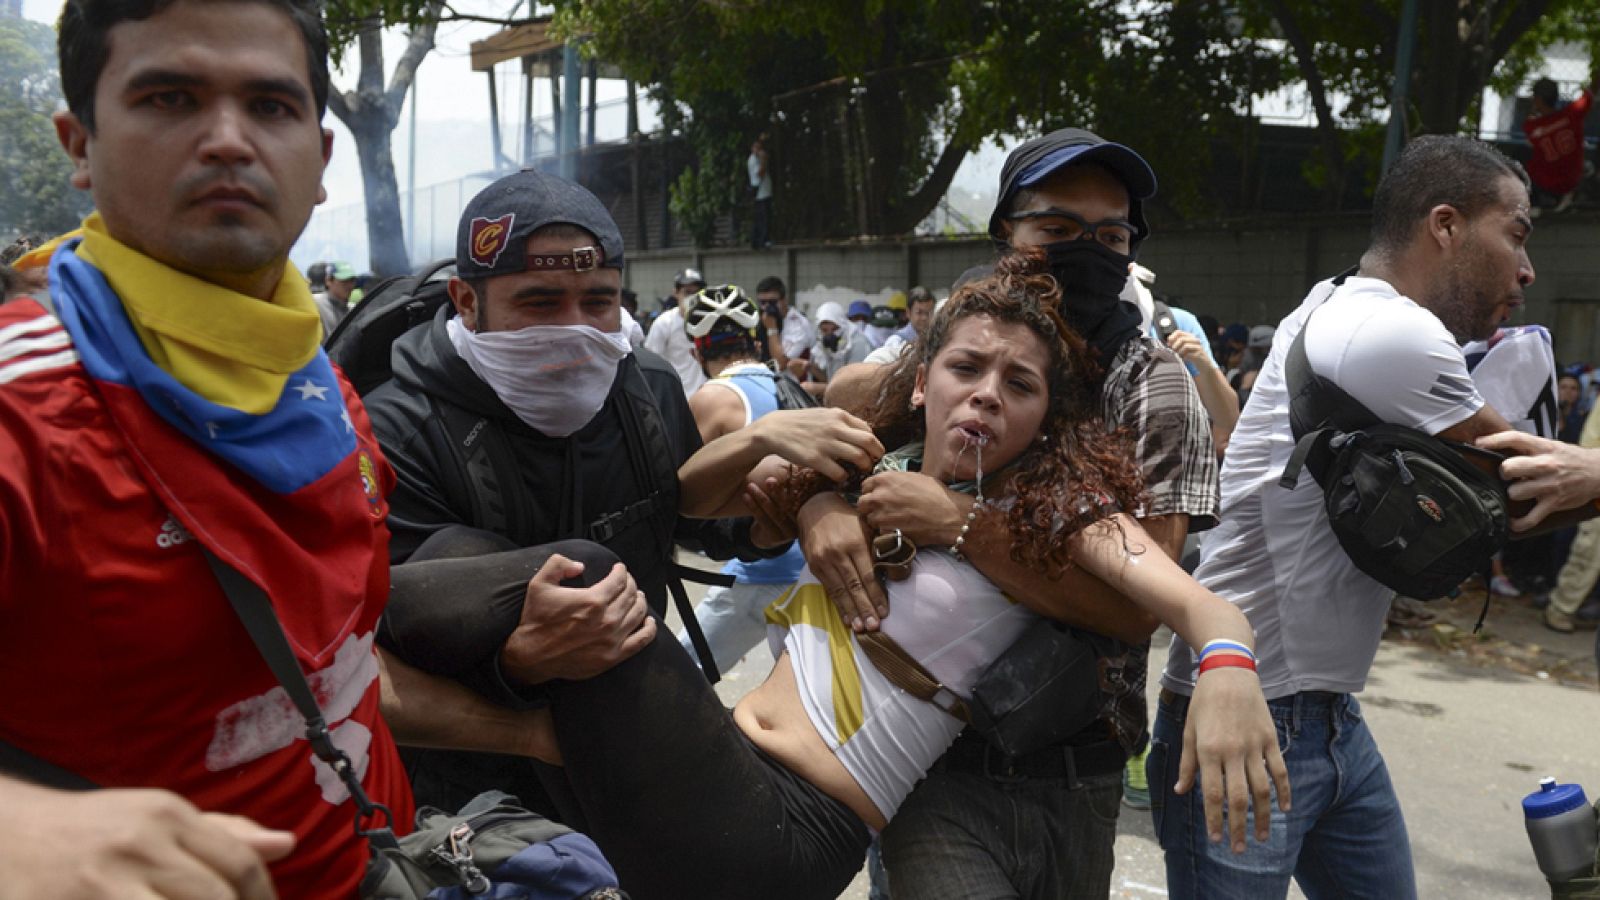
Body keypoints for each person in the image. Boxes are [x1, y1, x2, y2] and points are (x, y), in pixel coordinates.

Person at [413, 259, 1288, 899]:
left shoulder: (1058, 515)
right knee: (472, 561)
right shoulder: (877, 468)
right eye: (966, 368)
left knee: (589, 580)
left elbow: (1204, 608)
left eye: (1018, 383)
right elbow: (673, 507)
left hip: (786, 828)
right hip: (712, 772)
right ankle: (339, 645)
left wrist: (1228, 675)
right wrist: (794, 479)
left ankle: (332, 628)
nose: (986, 394)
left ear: (1043, 419)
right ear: (924, 386)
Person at [0, 0, 435, 894]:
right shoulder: (22, 410)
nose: (229, 140)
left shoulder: (325, 385)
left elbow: (333, 674)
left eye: (272, 107)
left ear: (319, 163)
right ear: (78, 144)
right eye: (169, 98)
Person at [362, 170, 873, 818]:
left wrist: (768, 522)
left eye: (597, 301)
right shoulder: (394, 434)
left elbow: (682, 512)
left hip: (625, 744)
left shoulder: (646, 389)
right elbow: (377, 639)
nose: (574, 331)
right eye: (540, 303)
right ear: (466, 300)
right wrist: (515, 660)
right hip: (472, 794)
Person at [816, 126, 1218, 898]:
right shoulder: (975, 338)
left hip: (1075, 767)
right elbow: (842, 416)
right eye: (1058, 230)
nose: (1087, 251)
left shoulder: (1151, 385)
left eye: (1110, 236)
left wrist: (960, 524)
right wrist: (823, 510)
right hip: (924, 754)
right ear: (1008, 234)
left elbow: (1140, 606)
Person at [1151, 134, 1537, 899]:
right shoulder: (1386, 331)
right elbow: (1525, 487)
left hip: (1329, 720)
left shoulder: (1338, 300)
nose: (1527, 269)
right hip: (1244, 721)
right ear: (1446, 225)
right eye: (1517, 232)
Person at [671, 285, 811, 672]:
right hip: (810, 563)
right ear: (756, 341)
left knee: (682, 677)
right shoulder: (787, 384)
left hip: (762, 569)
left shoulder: (712, 397)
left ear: (697, 351)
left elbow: (681, 493)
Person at [1524, 73, 1598, 214]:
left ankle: (1534, 202)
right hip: (1573, 178)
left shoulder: (1532, 127)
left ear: (1538, 99)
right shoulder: (1572, 114)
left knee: (1522, 154)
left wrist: (1533, 111)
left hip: (1547, 183)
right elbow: (1591, 92)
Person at [642, 266, 707, 395]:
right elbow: (651, 364)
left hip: (704, 396)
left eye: (697, 292)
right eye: (687, 292)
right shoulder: (664, 323)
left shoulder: (710, 322)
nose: (692, 297)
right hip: (675, 396)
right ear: (676, 293)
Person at [758, 274, 814, 374]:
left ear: (784, 300)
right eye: (763, 302)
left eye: (772, 302)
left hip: (793, 383)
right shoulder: (761, 318)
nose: (767, 307)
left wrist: (772, 329)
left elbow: (780, 363)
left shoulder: (798, 325)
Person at [808, 299, 870, 385]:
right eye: (824, 330)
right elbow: (831, 378)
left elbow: (853, 384)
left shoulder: (858, 343)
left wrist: (819, 389)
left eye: (835, 329)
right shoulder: (824, 345)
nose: (830, 335)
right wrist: (809, 367)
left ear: (843, 325)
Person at [749, 132, 774, 248]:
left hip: (766, 192)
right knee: (763, 218)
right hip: (760, 194)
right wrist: (763, 160)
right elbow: (760, 173)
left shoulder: (758, 158)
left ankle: (764, 239)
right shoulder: (753, 160)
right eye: (756, 148)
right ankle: (762, 241)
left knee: (766, 217)